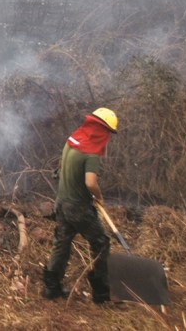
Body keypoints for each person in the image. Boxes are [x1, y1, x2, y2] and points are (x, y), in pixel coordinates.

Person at [43, 107, 119, 303]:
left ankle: (51, 288)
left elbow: (61, 167)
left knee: (62, 243)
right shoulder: (91, 154)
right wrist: (98, 197)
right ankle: (101, 293)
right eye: (108, 133)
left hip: (61, 203)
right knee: (101, 243)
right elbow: (90, 182)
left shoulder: (72, 140)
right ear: (101, 130)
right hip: (78, 208)